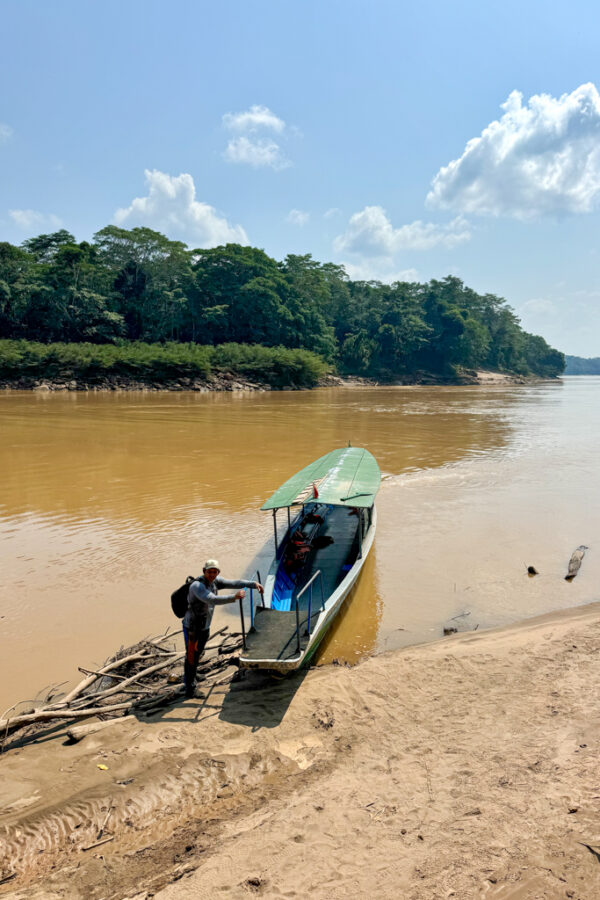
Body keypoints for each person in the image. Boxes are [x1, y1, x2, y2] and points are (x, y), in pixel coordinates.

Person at [182, 559, 264, 698]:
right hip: (192, 628)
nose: (212, 574)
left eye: (215, 572)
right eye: (209, 572)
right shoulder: (197, 586)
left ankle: (194, 674)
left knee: (198, 652)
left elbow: (234, 582)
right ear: (204, 571)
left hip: (204, 626)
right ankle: (190, 688)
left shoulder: (215, 581)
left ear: (218, 572)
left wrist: (253, 584)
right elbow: (212, 599)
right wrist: (234, 597)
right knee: (191, 656)